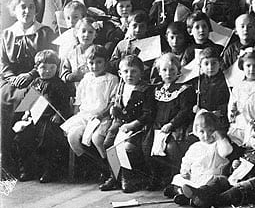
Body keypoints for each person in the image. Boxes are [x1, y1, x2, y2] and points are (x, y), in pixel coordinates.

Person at [1, 0, 56, 171]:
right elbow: (2, 62)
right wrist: (12, 78)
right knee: (3, 98)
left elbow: (50, 59)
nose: (27, 11)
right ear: (15, 10)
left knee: (30, 99)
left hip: (38, 79)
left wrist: (30, 75)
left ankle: (27, 164)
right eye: (22, 7)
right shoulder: (7, 34)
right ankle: (7, 162)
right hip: (11, 80)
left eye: (31, 7)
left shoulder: (45, 32)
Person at [182, 120, 255, 208]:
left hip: (251, 188)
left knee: (231, 193)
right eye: (253, 137)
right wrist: (235, 166)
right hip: (236, 181)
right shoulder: (248, 152)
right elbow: (236, 171)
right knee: (220, 180)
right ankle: (200, 192)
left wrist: (245, 183)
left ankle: (204, 201)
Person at [13, 49, 71, 183]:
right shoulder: (35, 83)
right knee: (21, 138)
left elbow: (64, 103)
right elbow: (28, 102)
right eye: (43, 68)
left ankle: (49, 170)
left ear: (57, 68)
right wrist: (27, 113)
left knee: (46, 139)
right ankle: (27, 170)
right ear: (37, 68)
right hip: (35, 117)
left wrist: (59, 114)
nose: (47, 71)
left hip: (50, 118)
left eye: (52, 68)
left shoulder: (59, 84)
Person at [100, 55, 155, 193]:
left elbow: (148, 114)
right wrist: (115, 109)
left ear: (141, 73)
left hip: (137, 125)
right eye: (126, 72)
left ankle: (127, 177)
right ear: (120, 73)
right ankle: (114, 176)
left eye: (134, 71)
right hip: (120, 123)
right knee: (108, 144)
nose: (129, 75)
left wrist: (133, 125)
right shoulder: (121, 86)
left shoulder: (145, 89)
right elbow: (119, 104)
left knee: (125, 147)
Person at [64, 45, 118, 178]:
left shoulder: (111, 79)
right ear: (87, 64)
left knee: (97, 139)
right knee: (72, 136)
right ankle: (95, 164)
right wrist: (76, 115)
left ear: (105, 62)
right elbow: (79, 99)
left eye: (99, 62)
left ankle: (110, 168)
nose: (95, 66)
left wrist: (102, 115)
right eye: (91, 63)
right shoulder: (86, 78)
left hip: (103, 116)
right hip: (85, 115)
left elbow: (113, 101)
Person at [143, 53, 196, 190]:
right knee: (146, 146)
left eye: (172, 70)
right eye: (164, 70)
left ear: (178, 71)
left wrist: (171, 124)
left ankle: (174, 180)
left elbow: (185, 111)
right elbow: (151, 111)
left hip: (175, 127)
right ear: (159, 72)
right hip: (157, 126)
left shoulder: (184, 89)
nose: (168, 73)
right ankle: (156, 177)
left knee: (172, 148)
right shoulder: (155, 89)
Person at [167, 110, 234, 206]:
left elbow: (227, 151)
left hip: (210, 178)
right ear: (196, 132)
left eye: (210, 131)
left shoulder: (219, 144)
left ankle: (186, 194)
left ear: (216, 131)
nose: (206, 136)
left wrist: (220, 137)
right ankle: (183, 193)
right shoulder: (195, 146)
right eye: (202, 132)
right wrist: (184, 171)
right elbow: (186, 160)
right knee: (177, 178)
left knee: (215, 184)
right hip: (195, 177)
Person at [228, 52, 255, 146]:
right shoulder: (238, 87)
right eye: (248, 66)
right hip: (240, 125)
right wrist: (232, 112)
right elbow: (232, 104)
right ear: (242, 67)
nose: (252, 69)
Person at [189, 46, 229, 117]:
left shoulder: (226, 81)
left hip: (218, 117)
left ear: (219, 64)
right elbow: (190, 100)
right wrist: (194, 107)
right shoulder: (197, 81)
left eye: (214, 63)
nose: (210, 67)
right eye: (206, 64)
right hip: (200, 116)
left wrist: (221, 111)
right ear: (200, 66)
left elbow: (228, 101)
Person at [59, 17, 97, 92]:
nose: (86, 35)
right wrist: (72, 76)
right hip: (75, 90)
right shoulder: (71, 53)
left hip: (94, 90)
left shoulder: (98, 51)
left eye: (90, 32)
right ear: (76, 33)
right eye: (83, 31)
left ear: (95, 35)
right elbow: (63, 73)